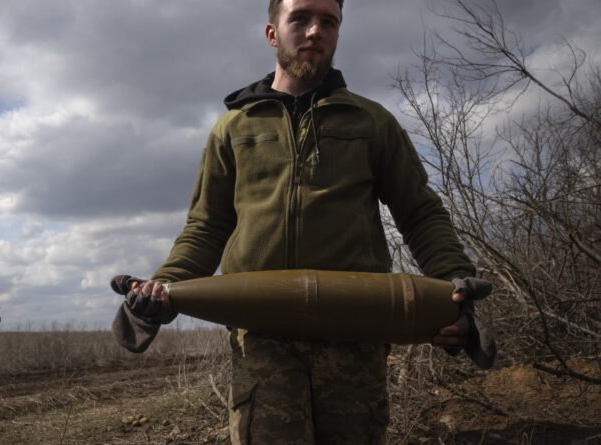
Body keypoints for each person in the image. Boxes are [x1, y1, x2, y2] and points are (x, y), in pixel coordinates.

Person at [112, 0, 494, 443]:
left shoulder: (373, 123)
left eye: (328, 21)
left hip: (355, 332)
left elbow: (419, 212)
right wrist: (163, 288)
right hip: (262, 337)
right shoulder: (233, 129)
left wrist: (452, 281)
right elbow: (207, 226)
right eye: (300, 18)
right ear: (272, 33)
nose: (315, 31)